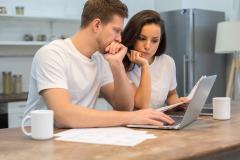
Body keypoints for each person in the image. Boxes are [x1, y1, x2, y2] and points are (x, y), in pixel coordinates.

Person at [24, 0, 174, 128]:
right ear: (97, 25)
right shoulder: (53, 54)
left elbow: (124, 107)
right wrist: (133, 118)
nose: (119, 39)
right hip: (41, 139)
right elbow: (63, 115)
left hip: (77, 138)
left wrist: (117, 66)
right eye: (116, 31)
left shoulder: (100, 60)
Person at [122, 10, 188, 110]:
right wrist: (145, 65)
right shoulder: (121, 64)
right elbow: (141, 105)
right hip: (130, 123)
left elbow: (171, 94)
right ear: (132, 36)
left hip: (156, 122)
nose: (148, 46)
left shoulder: (167, 62)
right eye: (141, 38)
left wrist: (177, 104)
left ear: (160, 41)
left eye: (154, 40)